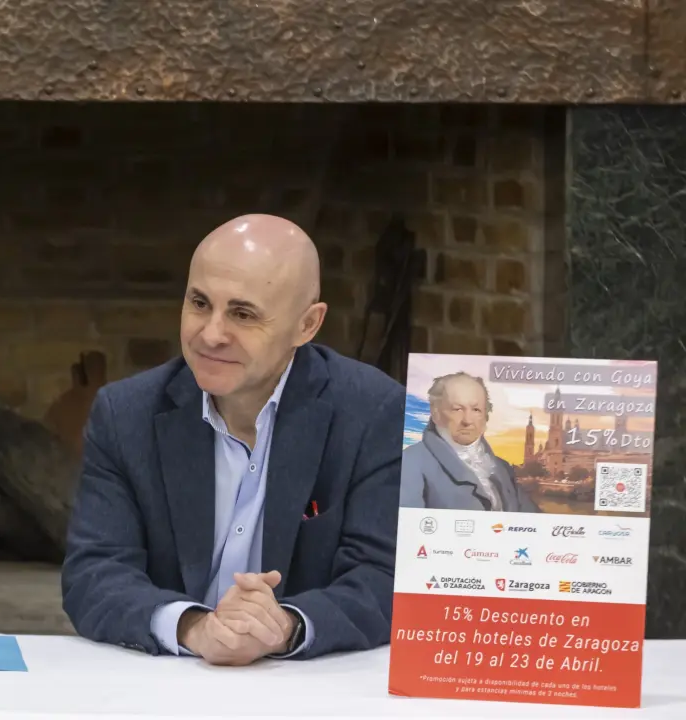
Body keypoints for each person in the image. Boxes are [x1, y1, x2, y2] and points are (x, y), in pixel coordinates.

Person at [61, 214, 403, 665]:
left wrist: (285, 627)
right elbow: (94, 573)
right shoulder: (126, 414)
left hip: (308, 684)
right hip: (166, 677)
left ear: (307, 325)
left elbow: (384, 578)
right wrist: (194, 627)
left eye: (243, 314)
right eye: (199, 303)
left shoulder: (374, 413)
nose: (211, 334)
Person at [400, 372, 539, 512]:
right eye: (457, 409)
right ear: (435, 413)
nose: (467, 420)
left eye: (476, 410)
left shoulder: (503, 467)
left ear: (486, 415)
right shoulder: (411, 461)